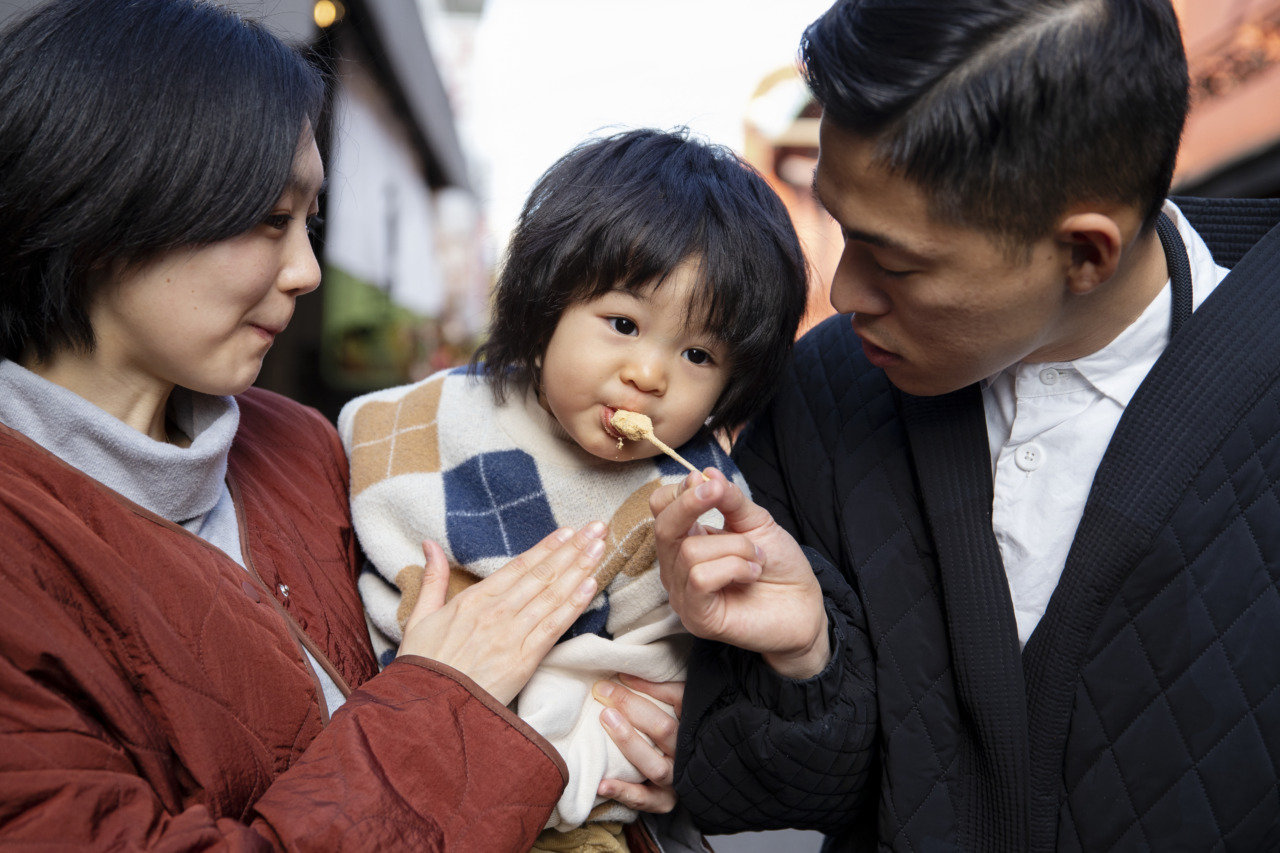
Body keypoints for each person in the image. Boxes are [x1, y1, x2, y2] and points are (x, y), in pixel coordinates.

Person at [0, 1, 677, 848]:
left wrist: (614, 719)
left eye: (311, 223)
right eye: (269, 220)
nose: (308, 270)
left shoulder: (303, 445)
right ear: (105, 204)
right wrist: (448, 699)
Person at [627, 0, 1280, 849]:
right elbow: (747, 788)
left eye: (895, 261)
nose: (848, 292)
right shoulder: (827, 392)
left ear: (1085, 253)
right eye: (838, 225)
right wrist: (804, 660)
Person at [338, 128, 808, 852]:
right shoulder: (424, 422)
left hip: (596, 799)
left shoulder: (695, 503)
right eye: (622, 323)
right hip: (404, 771)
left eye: (697, 353)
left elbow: (670, 678)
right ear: (547, 301)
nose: (649, 375)